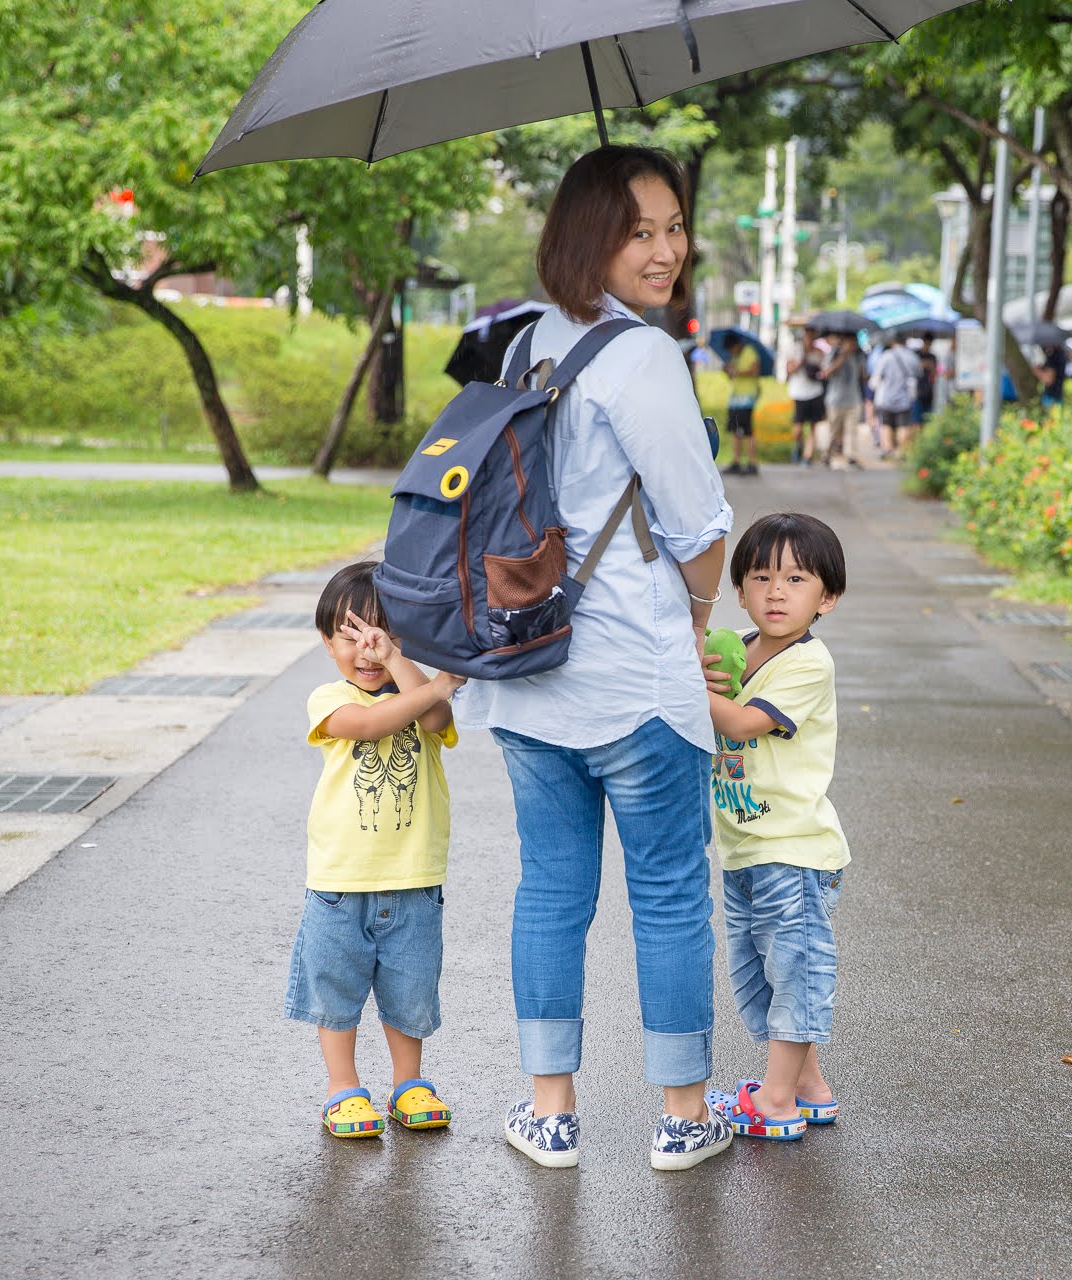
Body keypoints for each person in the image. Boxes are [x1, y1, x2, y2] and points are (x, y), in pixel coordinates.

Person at [464, 145, 736, 1172]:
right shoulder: (645, 358)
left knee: (550, 890)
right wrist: (701, 624)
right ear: (592, 237)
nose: (667, 249)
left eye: (673, 227)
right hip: (632, 681)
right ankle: (679, 1116)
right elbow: (698, 524)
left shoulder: (526, 343)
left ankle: (550, 1113)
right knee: (668, 891)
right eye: (641, 230)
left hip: (530, 670)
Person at [288, 562, 465, 1141]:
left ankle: (408, 1083)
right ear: (326, 642)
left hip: (414, 878)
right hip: (340, 883)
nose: (366, 650)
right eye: (350, 636)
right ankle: (344, 1087)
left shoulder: (416, 690)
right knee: (336, 988)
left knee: (410, 989)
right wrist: (433, 682)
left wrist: (403, 666)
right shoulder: (329, 698)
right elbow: (365, 727)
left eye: (381, 635)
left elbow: (435, 716)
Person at [699, 513, 849, 1141]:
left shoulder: (809, 665)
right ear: (739, 590)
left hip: (794, 849)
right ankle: (809, 1087)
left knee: (796, 970)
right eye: (761, 577)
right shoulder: (733, 648)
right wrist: (700, 671)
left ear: (827, 597)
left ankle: (776, 1101)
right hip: (744, 846)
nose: (776, 592)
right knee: (760, 975)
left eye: (796, 578)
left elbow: (739, 724)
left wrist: (682, 684)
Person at [816, 332, 864, 470]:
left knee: (852, 430)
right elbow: (826, 373)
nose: (853, 345)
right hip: (835, 400)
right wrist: (841, 357)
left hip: (854, 399)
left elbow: (863, 375)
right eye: (851, 342)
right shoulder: (834, 354)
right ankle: (827, 454)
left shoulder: (858, 356)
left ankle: (851, 456)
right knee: (833, 431)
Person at [869, 333, 918, 459]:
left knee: (886, 424)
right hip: (905, 398)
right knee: (903, 425)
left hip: (886, 398)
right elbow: (918, 373)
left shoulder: (886, 356)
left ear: (892, 342)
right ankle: (901, 452)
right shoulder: (912, 357)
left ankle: (888, 450)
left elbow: (875, 379)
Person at [783, 325, 826, 466]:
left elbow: (823, 371)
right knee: (798, 427)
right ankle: (798, 445)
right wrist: (801, 361)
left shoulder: (819, 352)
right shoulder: (794, 349)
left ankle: (807, 456)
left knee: (813, 426)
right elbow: (789, 370)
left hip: (815, 392)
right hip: (799, 392)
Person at [721, 333, 762, 476]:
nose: (730, 352)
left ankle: (752, 462)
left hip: (747, 398)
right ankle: (736, 461)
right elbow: (732, 374)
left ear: (737, 345)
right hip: (735, 398)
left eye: (731, 349)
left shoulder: (749, 352)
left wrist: (738, 372)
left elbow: (755, 370)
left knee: (747, 431)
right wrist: (728, 371)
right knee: (735, 431)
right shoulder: (734, 357)